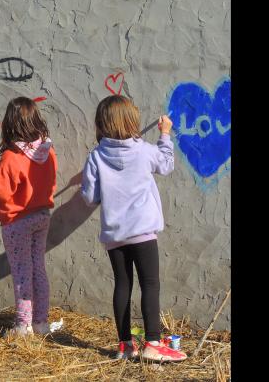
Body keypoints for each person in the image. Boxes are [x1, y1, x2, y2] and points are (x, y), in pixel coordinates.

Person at [80, 94, 186, 362]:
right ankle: (153, 343)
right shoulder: (143, 149)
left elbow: (90, 197)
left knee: (122, 284)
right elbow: (166, 164)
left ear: (101, 123)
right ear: (131, 120)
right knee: (150, 284)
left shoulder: (96, 156)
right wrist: (164, 134)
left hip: (115, 234)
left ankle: (125, 345)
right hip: (143, 231)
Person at [0, 96, 57, 337]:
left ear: (9, 124)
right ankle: (40, 323)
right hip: (42, 215)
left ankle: (23, 326)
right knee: (38, 269)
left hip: (16, 221)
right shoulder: (47, 150)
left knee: (22, 273)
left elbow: (2, 192)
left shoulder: (11, 157)